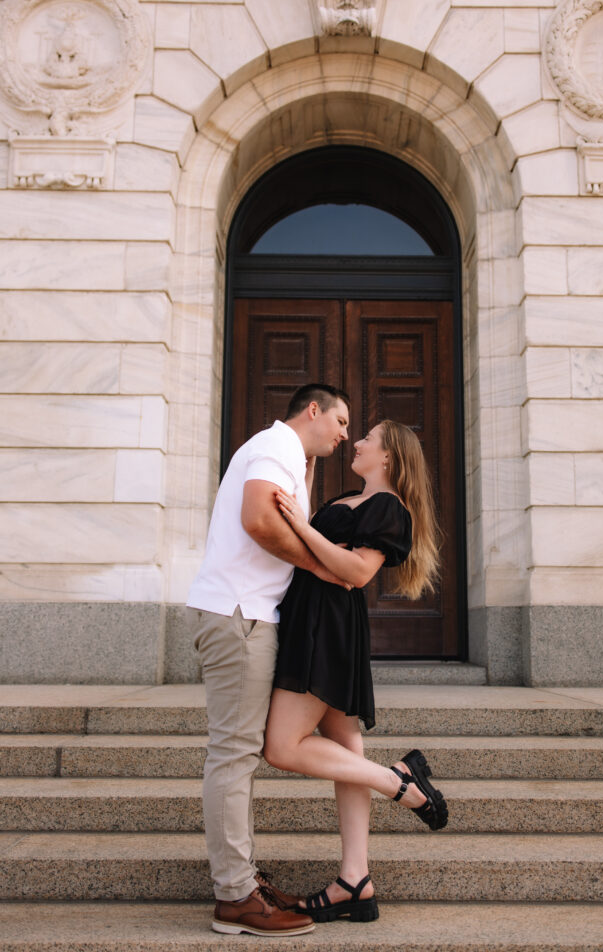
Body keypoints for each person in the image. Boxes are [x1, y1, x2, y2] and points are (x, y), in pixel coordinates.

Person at [263, 420, 445, 924]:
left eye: (368, 438)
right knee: (345, 753)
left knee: (281, 747)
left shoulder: (390, 508)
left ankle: (398, 783)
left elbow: (359, 572)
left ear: (388, 457)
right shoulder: (348, 497)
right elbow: (328, 558)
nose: (358, 442)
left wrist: (300, 526)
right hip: (310, 620)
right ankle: (355, 880)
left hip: (328, 630)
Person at [186, 383, 351, 937]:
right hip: (238, 615)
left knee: (239, 754)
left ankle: (243, 881)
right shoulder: (275, 446)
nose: (345, 434)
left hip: (246, 614)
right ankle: (234, 896)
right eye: (341, 420)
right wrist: (320, 567)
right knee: (233, 753)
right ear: (312, 411)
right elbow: (259, 520)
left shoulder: (288, 456)